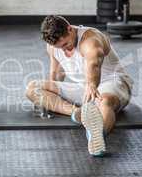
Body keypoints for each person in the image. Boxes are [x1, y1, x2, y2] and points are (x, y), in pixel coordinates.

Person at [26, 15, 133, 156]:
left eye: (65, 45)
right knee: (33, 88)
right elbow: (57, 74)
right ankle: (77, 113)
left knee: (105, 102)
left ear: (70, 29)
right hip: (83, 88)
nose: (64, 50)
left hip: (113, 83)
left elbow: (93, 63)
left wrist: (92, 85)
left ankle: (97, 136)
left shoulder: (90, 40)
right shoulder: (54, 46)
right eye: (59, 47)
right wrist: (49, 97)